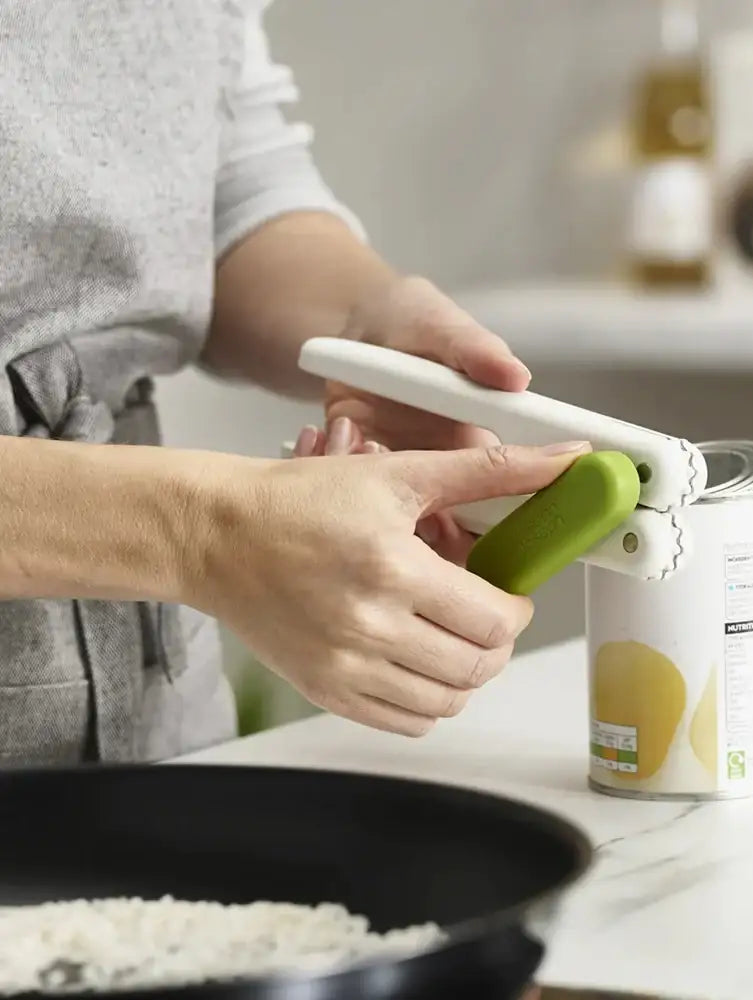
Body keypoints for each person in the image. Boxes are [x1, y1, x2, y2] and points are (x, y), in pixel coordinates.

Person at [0, 1, 589, 765]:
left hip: (150, 710)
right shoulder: (206, 541)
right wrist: (207, 536)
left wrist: (367, 322)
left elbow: (218, 175)